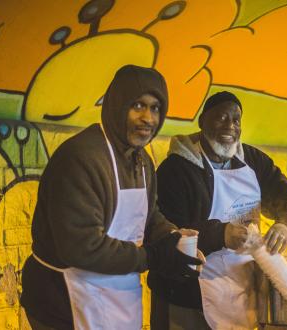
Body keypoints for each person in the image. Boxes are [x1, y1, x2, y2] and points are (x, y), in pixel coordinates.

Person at [20, 65, 201, 330]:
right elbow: (82, 247)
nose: (148, 118)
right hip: (63, 300)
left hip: (116, 294)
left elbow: (148, 217)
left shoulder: (141, 161)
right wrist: (153, 257)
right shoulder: (81, 158)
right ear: (117, 105)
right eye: (138, 105)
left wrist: (172, 238)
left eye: (155, 108)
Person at [148, 91, 287, 329]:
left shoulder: (253, 161)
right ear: (202, 122)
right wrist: (221, 234)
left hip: (243, 293)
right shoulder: (176, 171)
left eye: (236, 120)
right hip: (186, 299)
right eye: (221, 118)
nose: (230, 126)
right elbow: (164, 233)